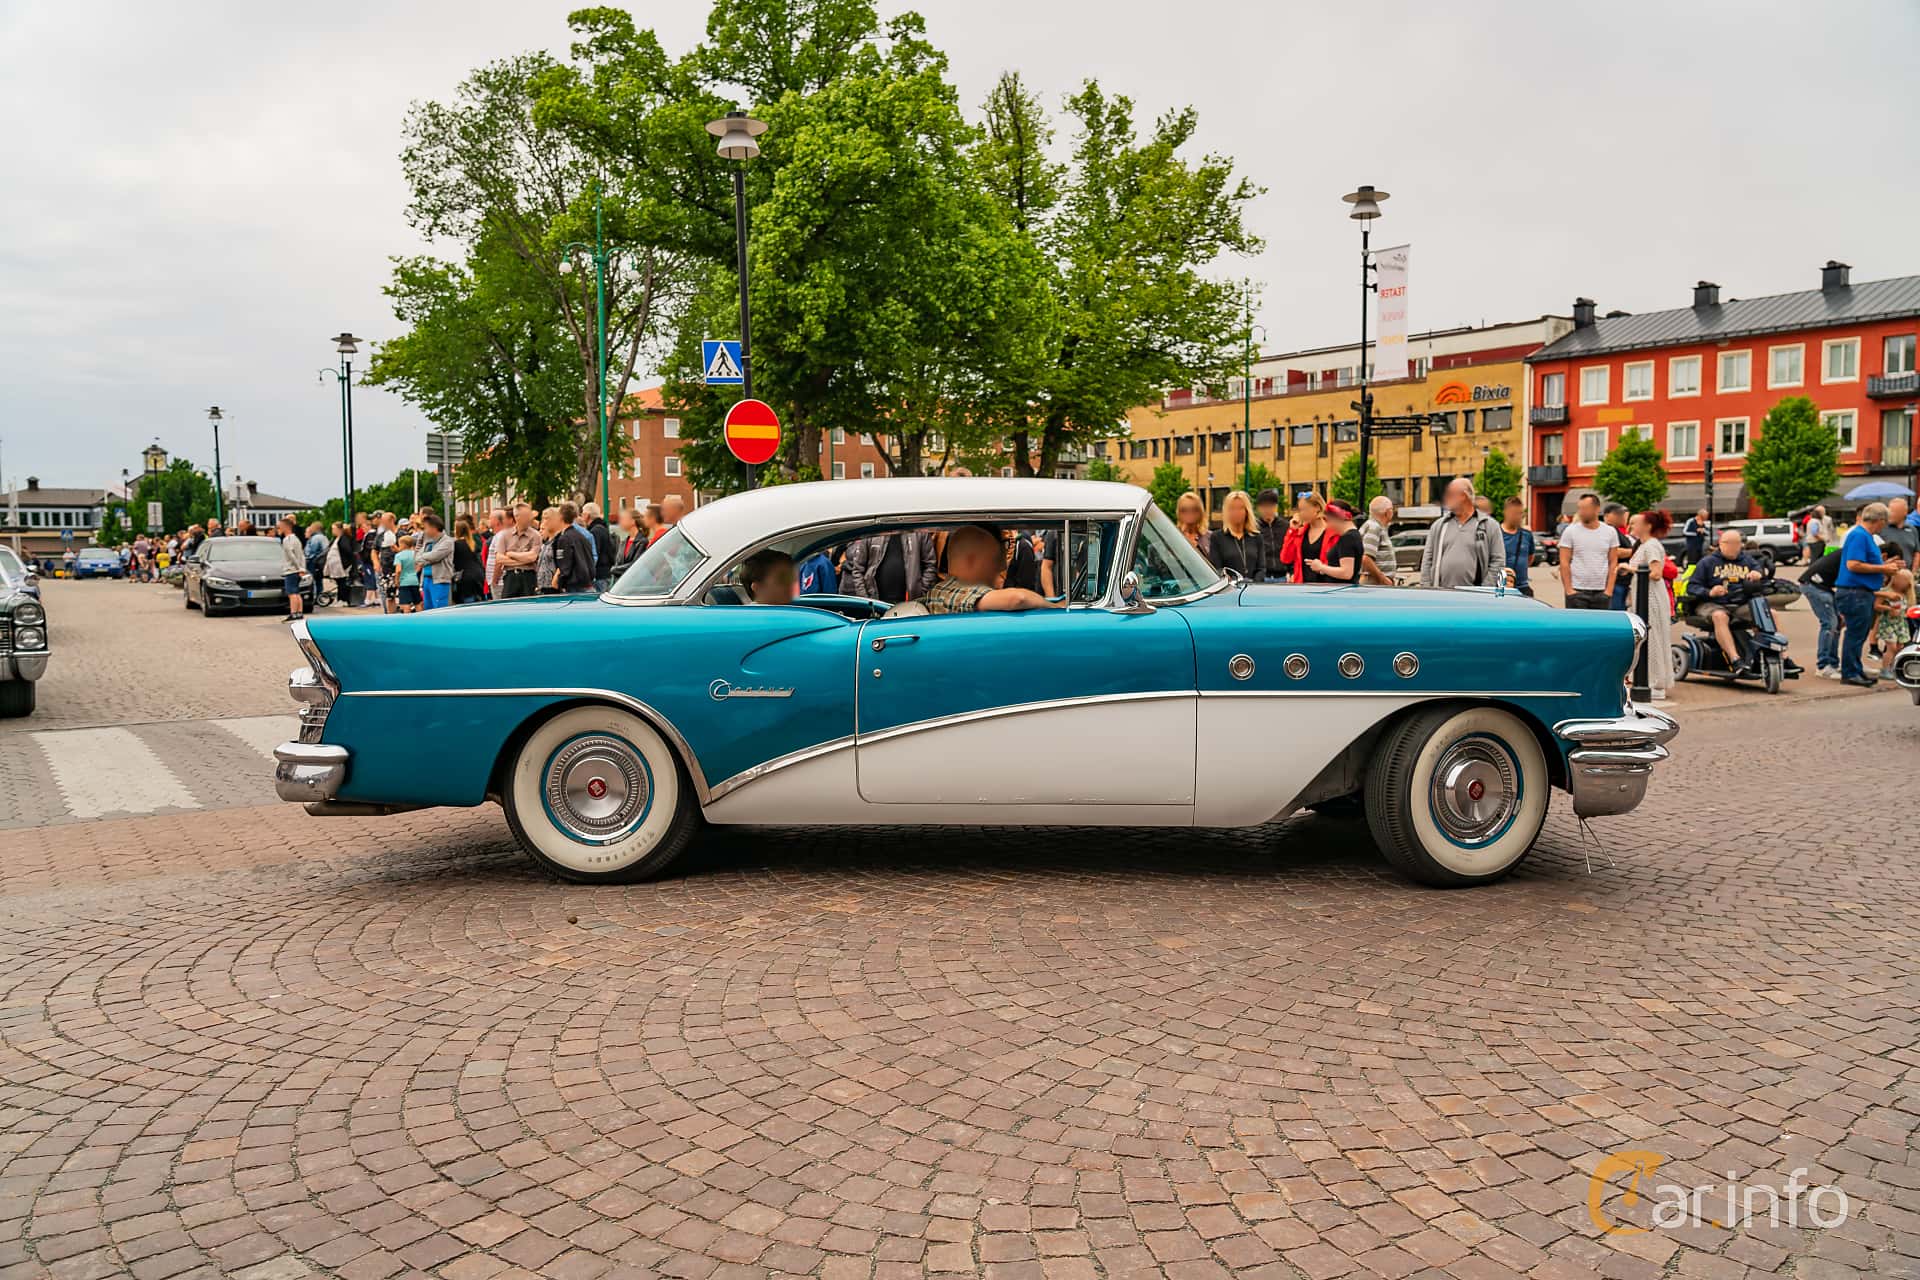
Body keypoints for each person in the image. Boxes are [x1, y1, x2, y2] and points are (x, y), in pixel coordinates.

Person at [1835, 502, 1903, 687]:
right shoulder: (1859, 535)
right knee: (1855, 634)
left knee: (1859, 633)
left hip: (1859, 592)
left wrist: (1888, 567)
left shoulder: (1864, 536)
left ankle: (1855, 669)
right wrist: (1883, 567)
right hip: (1855, 592)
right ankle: (1850, 672)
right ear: (1879, 520)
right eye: (1884, 522)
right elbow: (1853, 564)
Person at [921, 525, 1057, 614]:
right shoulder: (958, 593)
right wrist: (1055, 608)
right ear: (972, 560)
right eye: (994, 560)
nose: (1002, 567)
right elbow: (1017, 599)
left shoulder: (937, 592)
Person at [1688, 528, 1767, 672]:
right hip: (1711, 603)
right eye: (1730, 544)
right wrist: (1709, 592)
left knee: (1768, 613)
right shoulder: (1707, 562)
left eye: (1737, 544)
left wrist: (1758, 573)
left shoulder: (1747, 560)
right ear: (1721, 544)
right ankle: (1735, 659)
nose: (1734, 548)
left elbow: (1760, 572)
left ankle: (1779, 656)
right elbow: (1692, 587)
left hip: (1739, 604)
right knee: (1720, 616)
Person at [1420, 477, 1506, 589]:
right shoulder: (1439, 526)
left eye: (1451, 494)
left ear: (1464, 496)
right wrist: (1426, 589)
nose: (1446, 498)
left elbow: (1498, 562)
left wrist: (1485, 590)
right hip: (1441, 595)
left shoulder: (1489, 526)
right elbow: (1427, 561)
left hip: (1475, 598)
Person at [1627, 511, 1674, 700]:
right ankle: (1650, 679)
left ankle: (1655, 682)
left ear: (1647, 526)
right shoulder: (1645, 545)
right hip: (1644, 595)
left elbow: (1655, 573)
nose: (1632, 527)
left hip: (1651, 596)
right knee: (1649, 636)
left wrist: (1628, 568)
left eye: (1635, 523)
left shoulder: (1651, 546)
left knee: (1653, 637)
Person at [841, 530, 937, 605]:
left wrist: (920, 593)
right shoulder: (871, 533)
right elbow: (858, 569)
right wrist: (866, 599)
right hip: (876, 603)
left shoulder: (919, 532)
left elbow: (930, 565)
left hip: (909, 604)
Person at [1559, 493, 1618, 610]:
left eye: (1585, 508)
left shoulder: (1610, 532)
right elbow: (1564, 561)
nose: (1581, 512)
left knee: (1600, 627)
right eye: (1579, 508)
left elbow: (1613, 562)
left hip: (1601, 591)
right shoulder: (1570, 531)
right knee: (1577, 627)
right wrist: (1569, 590)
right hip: (1577, 591)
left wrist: (1609, 590)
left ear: (1597, 509)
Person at [1799, 542, 1844, 678]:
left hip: (1820, 585)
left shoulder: (1849, 552)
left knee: (1836, 623)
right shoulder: (1852, 555)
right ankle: (1823, 666)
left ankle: (1833, 663)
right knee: (1829, 623)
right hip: (1814, 585)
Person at [1205, 490, 1263, 579]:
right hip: (1230, 589)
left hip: (1253, 587)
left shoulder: (1256, 537)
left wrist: (1254, 583)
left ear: (1247, 511)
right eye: (1232, 508)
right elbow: (1217, 568)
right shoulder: (1217, 537)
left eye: (1240, 508)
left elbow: (1261, 568)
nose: (1236, 512)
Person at [1303, 500, 1365, 584]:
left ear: (1337, 518)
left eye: (1327, 520)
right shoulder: (1353, 535)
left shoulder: (1347, 538)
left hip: (1341, 591)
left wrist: (1321, 567)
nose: (1327, 526)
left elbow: (1346, 573)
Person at [493, 503, 542, 599]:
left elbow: (532, 557)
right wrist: (524, 560)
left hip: (528, 577)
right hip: (510, 577)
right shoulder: (504, 535)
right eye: (527, 516)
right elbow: (499, 559)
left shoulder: (535, 535)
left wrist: (510, 554)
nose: (530, 519)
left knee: (529, 606)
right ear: (517, 517)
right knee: (507, 605)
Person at [1279, 491, 1328, 584]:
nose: (1301, 513)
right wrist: (1292, 531)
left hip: (1325, 585)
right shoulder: (1300, 533)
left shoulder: (1331, 532)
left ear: (1317, 508)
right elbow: (1285, 558)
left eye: (1305, 509)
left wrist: (1322, 567)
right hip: (1302, 586)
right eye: (1300, 510)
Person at [1871, 568, 1914, 673]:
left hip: (1901, 624)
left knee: (1900, 647)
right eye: (1899, 579)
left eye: (1905, 581)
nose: (1901, 583)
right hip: (1888, 623)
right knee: (1891, 647)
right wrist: (1889, 609)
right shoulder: (1886, 592)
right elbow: (1876, 606)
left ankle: (1893, 667)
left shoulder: (1906, 595)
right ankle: (1885, 669)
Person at [548, 502, 596, 594]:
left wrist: (558, 581)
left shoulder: (564, 539)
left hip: (574, 586)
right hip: (587, 583)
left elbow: (565, 566)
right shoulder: (581, 536)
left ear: (560, 517)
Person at [415, 513, 454, 610]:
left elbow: (434, 556)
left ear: (434, 528)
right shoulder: (428, 541)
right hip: (426, 580)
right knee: (428, 610)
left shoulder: (447, 542)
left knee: (439, 610)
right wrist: (424, 558)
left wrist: (423, 558)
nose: (424, 531)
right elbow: (417, 558)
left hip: (439, 581)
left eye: (426, 528)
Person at [1500, 498, 1536, 597]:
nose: (1518, 517)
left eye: (1520, 513)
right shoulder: (1496, 534)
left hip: (1523, 586)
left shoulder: (1527, 535)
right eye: (1514, 513)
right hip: (1502, 585)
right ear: (1505, 512)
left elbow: (1530, 557)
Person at [274, 518, 307, 622]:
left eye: (280, 527)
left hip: (291, 569)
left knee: (291, 593)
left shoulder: (287, 540)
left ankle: (293, 612)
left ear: (285, 527)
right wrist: (302, 568)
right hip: (297, 569)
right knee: (296, 592)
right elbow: (301, 555)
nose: (278, 529)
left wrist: (298, 568)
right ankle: (299, 612)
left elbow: (291, 555)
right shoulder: (296, 539)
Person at [1603, 503, 1635, 609]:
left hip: (1622, 580)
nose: (1622, 516)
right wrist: (1634, 551)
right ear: (1607, 516)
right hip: (1615, 581)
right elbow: (1613, 552)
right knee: (1616, 613)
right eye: (1618, 513)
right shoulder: (1608, 530)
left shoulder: (1616, 530)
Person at [1360, 496, 1396, 586]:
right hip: (1374, 583)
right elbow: (1366, 558)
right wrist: (1383, 580)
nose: (1393, 511)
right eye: (1392, 509)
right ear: (1387, 512)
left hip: (1375, 582)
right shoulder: (1374, 527)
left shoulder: (1376, 526)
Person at [582, 502, 615, 593]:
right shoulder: (602, 529)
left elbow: (594, 553)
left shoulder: (594, 532)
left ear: (587, 515)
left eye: (583, 513)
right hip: (605, 573)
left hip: (599, 575)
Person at [451, 516, 485, 604]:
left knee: (468, 601)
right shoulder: (472, 543)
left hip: (465, 577)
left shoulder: (456, 544)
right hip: (478, 574)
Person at [1254, 489, 1287, 580]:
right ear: (1258, 508)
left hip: (1283, 575)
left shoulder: (1285, 526)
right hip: (1264, 576)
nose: (1267, 510)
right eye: (1264, 506)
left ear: (1276, 507)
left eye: (1270, 506)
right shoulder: (1254, 527)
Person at [610, 508, 647, 578]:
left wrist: (614, 569)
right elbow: (617, 562)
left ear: (633, 521)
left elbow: (636, 565)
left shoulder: (642, 542)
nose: (620, 521)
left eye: (623, 519)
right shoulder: (624, 542)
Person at [1881, 498, 1918, 568]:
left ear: (1904, 513)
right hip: (1887, 574)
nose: (1889, 514)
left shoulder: (1912, 529)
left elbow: (1917, 553)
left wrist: (1913, 573)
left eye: (1892, 512)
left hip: (1907, 575)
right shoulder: (1881, 528)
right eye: (1888, 511)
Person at [1173, 491, 1208, 557]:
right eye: (1184, 510)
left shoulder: (1212, 538)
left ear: (1201, 511)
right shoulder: (1171, 537)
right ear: (1178, 513)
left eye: (1194, 509)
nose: (1189, 513)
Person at [392, 535, 421, 612]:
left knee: (406, 604)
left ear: (403, 544)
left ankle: (407, 622)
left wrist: (396, 581)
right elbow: (419, 566)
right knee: (417, 603)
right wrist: (414, 573)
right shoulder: (415, 554)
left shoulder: (398, 556)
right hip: (414, 581)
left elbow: (398, 570)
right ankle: (421, 620)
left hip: (404, 582)